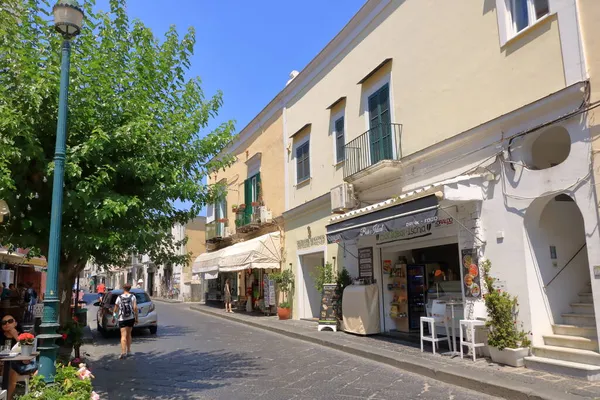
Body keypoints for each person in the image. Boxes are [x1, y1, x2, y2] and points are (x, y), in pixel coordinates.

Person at [1, 315, 37, 400]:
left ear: (15, 323)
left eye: (10, 321)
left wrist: (15, 336)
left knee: (38, 370)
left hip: (19, 364)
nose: (7, 324)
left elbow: (27, 349)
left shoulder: (23, 336)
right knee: (12, 373)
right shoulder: (1, 337)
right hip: (3, 364)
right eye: (3, 322)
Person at [113, 283, 138, 359]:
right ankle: (129, 351)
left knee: (123, 336)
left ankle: (123, 353)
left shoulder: (119, 297)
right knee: (129, 334)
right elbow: (135, 308)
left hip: (122, 319)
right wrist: (136, 318)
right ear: (130, 289)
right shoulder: (133, 297)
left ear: (123, 289)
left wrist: (114, 317)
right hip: (131, 318)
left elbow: (115, 309)